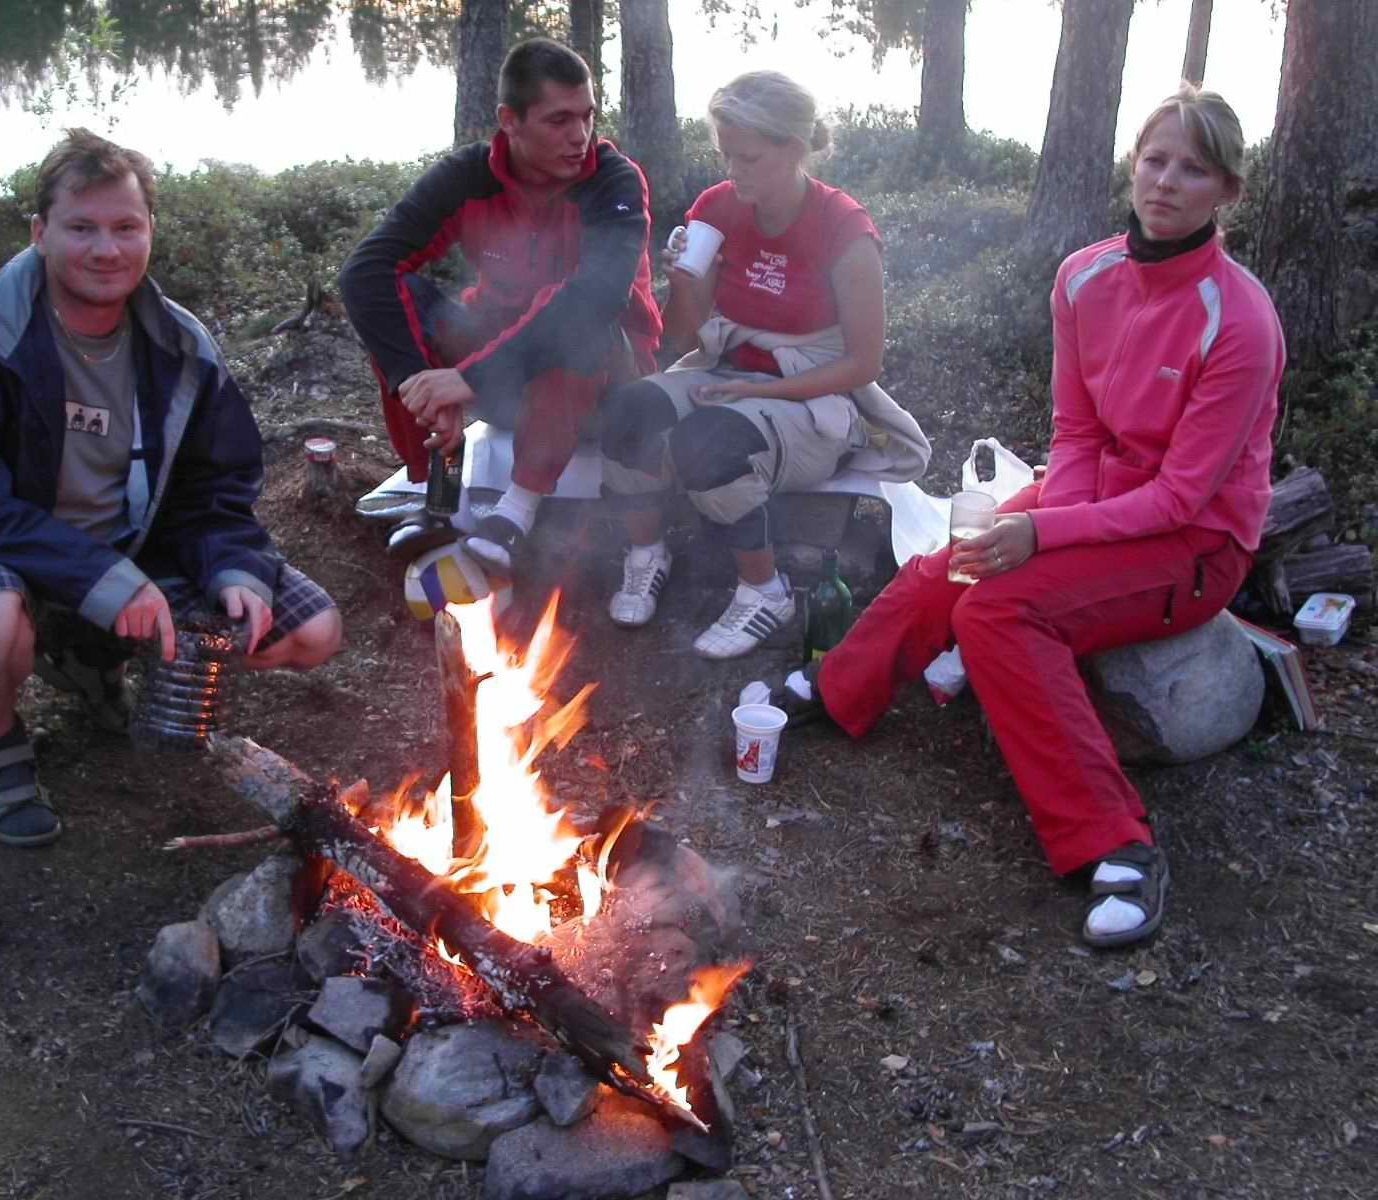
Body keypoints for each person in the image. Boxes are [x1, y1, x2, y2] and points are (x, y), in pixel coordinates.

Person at [785, 85, 1283, 948]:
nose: (1166, 182)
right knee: (959, 559)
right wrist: (1046, 524)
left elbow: (1180, 498)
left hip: (1196, 542)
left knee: (999, 610)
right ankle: (839, 691)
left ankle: (1117, 846)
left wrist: (1044, 536)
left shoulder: (1239, 321)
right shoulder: (1085, 277)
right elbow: (1077, 432)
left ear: (1227, 191)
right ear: (1134, 165)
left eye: (1194, 170)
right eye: (1155, 160)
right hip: (1100, 492)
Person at [0, 129, 343, 848]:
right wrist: (93, 575)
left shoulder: (179, 345)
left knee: (313, 630)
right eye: (81, 228)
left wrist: (234, 566)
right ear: (40, 232)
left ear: (150, 230)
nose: (106, 249)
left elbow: (214, 485)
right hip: (0, 557)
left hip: (131, 557)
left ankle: (93, 664)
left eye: (126, 227)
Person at [598, 71, 929, 659]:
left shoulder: (843, 228)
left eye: (748, 158)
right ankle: (646, 553)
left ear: (794, 148)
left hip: (815, 394)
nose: (734, 171)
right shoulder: (718, 208)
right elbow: (683, 336)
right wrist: (687, 279)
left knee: (710, 442)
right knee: (628, 411)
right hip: (725, 373)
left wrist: (760, 394)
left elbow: (862, 364)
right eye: (726, 155)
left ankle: (764, 590)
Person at [338, 37, 662, 574]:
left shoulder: (613, 181)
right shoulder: (471, 176)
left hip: (607, 389)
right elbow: (366, 271)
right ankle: (438, 491)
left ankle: (517, 509)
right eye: (559, 120)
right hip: (506, 371)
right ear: (510, 120)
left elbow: (598, 298)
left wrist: (470, 378)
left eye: (587, 116)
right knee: (406, 302)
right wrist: (419, 382)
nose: (580, 135)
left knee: (578, 310)